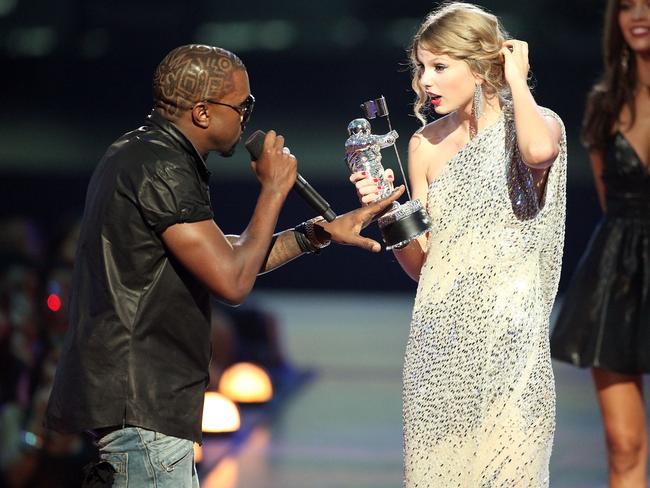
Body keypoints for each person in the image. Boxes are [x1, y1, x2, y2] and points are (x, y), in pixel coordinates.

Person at [43, 44, 404, 488]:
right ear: (201, 112)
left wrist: (318, 232)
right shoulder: (160, 167)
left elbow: (227, 255)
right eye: (243, 105)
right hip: (142, 405)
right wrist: (273, 189)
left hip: (142, 406)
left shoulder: (144, 153)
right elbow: (232, 281)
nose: (248, 116)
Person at [351, 3, 566, 485]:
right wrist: (389, 210)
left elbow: (538, 153)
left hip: (513, 347)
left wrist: (515, 81)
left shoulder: (537, 124)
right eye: (422, 67)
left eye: (441, 66)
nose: (426, 80)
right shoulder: (423, 145)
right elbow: (421, 265)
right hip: (439, 347)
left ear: (481, 64)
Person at [550, 0, 650, 485]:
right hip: (618, 273)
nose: (638, 15)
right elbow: (612, 201)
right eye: (627, 6)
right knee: (624, 443)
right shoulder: (605, 103)